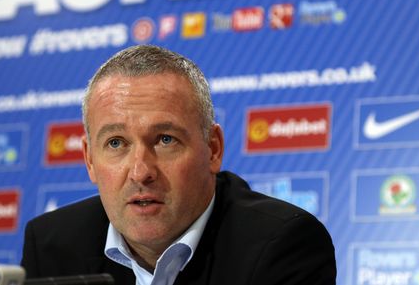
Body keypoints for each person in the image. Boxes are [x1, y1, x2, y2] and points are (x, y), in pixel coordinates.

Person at [22, 45, 336, 284]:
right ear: (89, 159)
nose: (141, 172)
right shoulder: (52, 245)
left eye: (165, 140)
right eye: (116, 143)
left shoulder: (282, 245)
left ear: (213, 149)